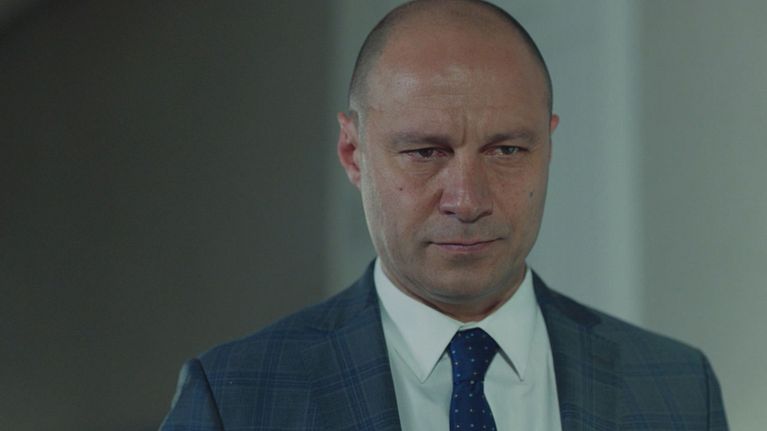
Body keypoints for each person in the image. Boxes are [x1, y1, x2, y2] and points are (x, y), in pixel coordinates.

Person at [160, 0, 728, 429]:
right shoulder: (235, 399)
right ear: (353, 154)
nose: (467, 200)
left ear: (549, 146)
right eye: (425, 153)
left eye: (507, 150)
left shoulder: (679, 390)